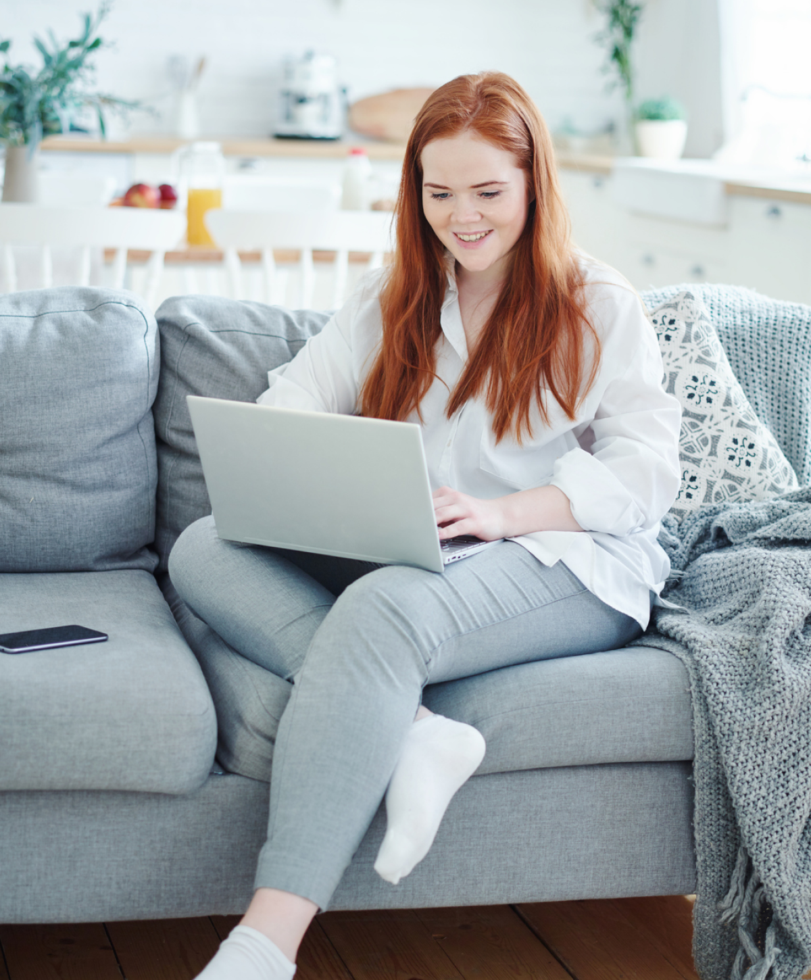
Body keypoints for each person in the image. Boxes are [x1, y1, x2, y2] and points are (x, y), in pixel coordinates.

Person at [168, 71, 682, 980]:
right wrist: (312, 473)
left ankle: (263, 945)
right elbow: (289, 404)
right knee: (203, 545)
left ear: (534, 185)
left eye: (487, 192)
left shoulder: (597, 301)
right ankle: (407, 722)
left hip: (568, 555)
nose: (463, 217)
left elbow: (645, 473)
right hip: (428, 548)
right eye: (439, 194)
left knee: (386, 610)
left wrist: (504, 513)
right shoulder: (393, 293)